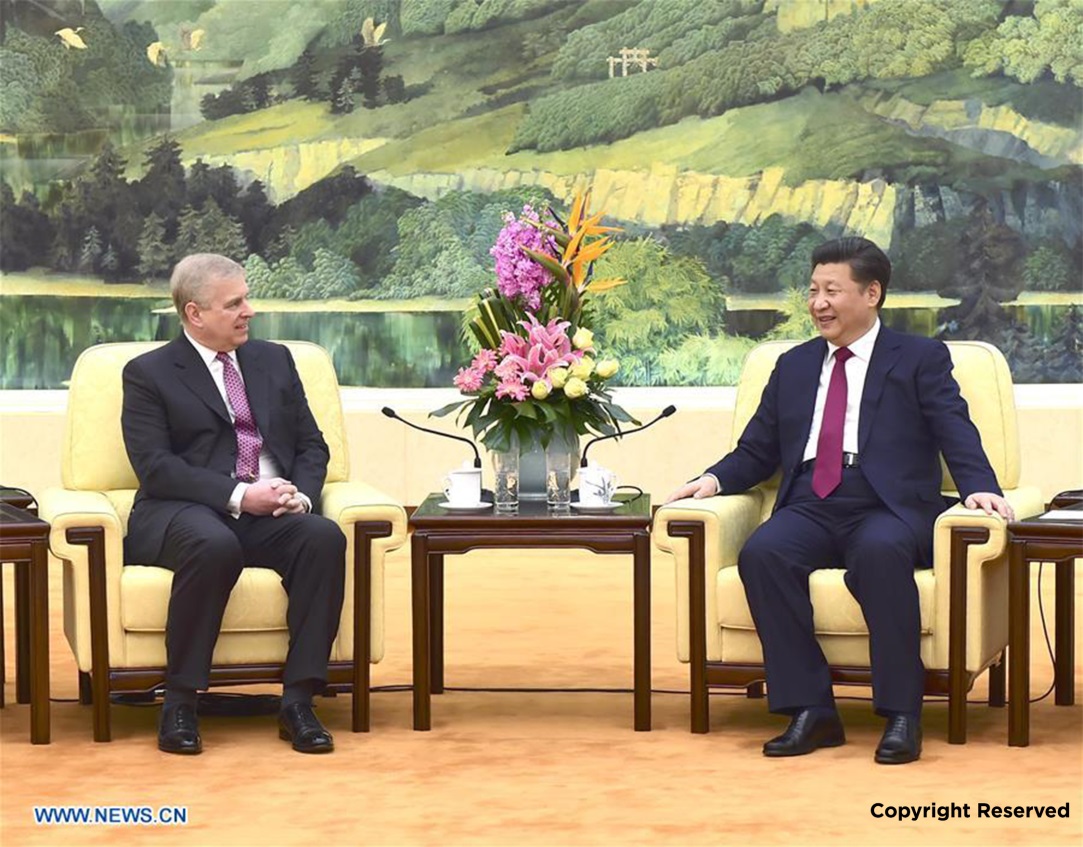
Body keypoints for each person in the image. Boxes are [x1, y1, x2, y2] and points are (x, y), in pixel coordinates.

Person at [666, 237, 1013, 765]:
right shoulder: (795, 365)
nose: (818, 303)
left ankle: (902, 714)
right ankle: (812, 709)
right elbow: (756, 449)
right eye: (813, 291)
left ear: (872, 293)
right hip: (811, 501)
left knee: (878, 554)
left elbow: (953, 428)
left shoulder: (919, 358)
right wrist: (711, 480)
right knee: (764, 554)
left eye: (832, 290)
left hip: (887, 505)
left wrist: (980, 486)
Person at [122, 253, 346, 755]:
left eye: (247, 298)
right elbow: (156, 467)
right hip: (185, 509)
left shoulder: (275, 360)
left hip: (272, 507)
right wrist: (243, 495)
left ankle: (299, 700)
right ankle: (180, 701)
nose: (250, 311)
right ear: (195, 314)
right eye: (235, 303)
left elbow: (313, 446)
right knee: (214, 542)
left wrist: (299, 497)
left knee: (323, 537)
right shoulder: (148, 374)